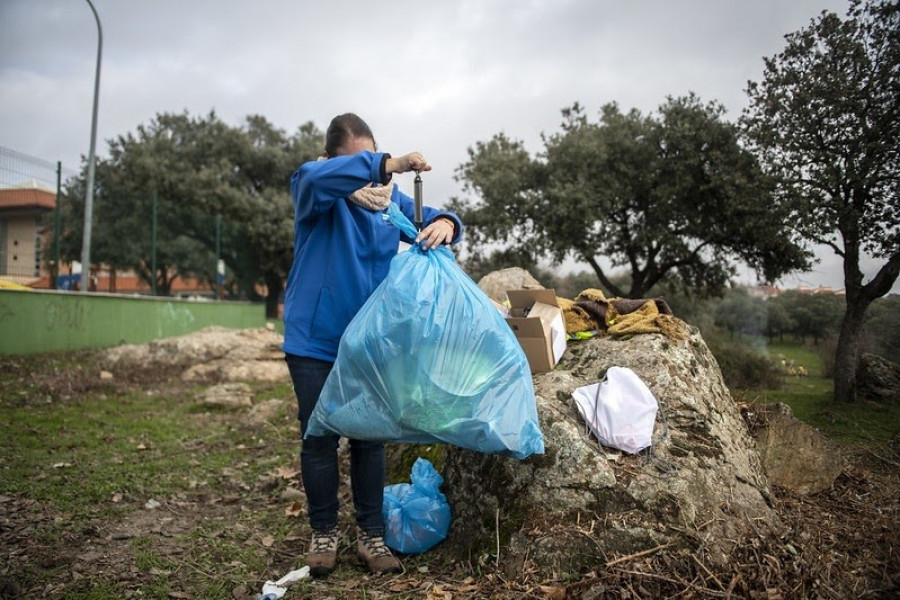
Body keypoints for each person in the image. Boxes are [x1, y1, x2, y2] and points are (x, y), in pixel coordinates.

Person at [282, 113, 463, 577]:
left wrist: (447, 223)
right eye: (355, 161)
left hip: (370, 341)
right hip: (315, 340)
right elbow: (327, 176)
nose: (367, 172)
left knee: (369, 438)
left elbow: (427, 219)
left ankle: (371, 536)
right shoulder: (314, 186)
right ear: (333, 160)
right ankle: (323, 531)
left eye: (370, 158)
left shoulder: (386, 201)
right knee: (318, 436)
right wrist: (386, 162)